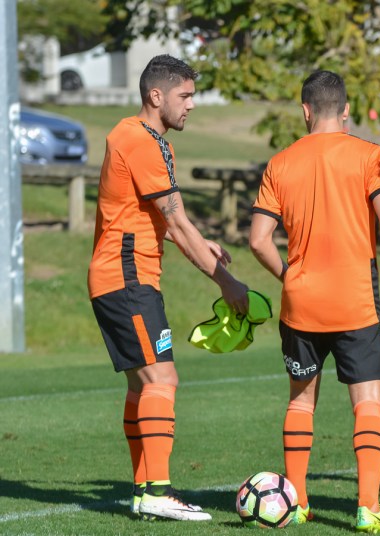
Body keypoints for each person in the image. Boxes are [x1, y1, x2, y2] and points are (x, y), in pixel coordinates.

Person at [249, 69, 380, 532]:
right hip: (355, 302)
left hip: (301, 305)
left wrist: (289, 276)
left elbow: (258, 240)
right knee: (367, 402)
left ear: (305, 111)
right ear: (347, 110)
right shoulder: (371, 156)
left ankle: (297, 504)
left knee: (301, 402)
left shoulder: (280, 163)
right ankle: (368, 508)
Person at [88, 54, 250, 521]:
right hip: (127, 277)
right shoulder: (140, 141)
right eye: (185, 95)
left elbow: (163, 219)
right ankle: (159, 491)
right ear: (156, 96)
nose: (191, 104)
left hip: (123, 277)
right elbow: (176, 223)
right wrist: (227, 283)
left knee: (143, 385)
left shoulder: (150, 140)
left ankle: (144, 491)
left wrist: (201, 241)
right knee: (163, 379)